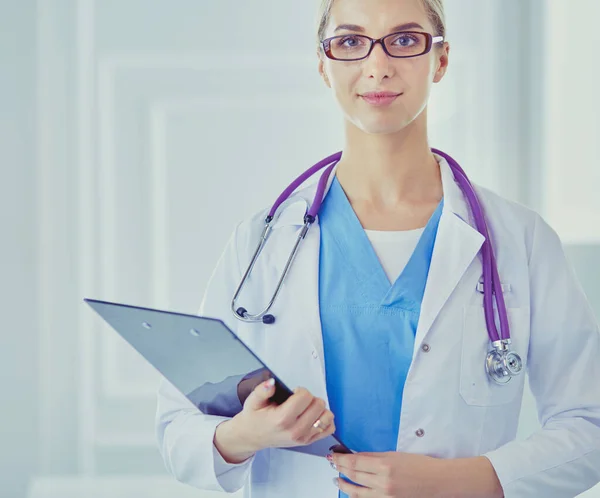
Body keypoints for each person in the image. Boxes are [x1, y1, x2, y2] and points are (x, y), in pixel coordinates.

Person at [155, 0, 600, 496]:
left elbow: (589, 427)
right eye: (350, 42)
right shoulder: (263, 240)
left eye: (405, 40)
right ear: (323, 65)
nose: (378, 65)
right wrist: (244, 434)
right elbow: (178, 428)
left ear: (442, 59)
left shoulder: (520, 239)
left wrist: (457, 482)